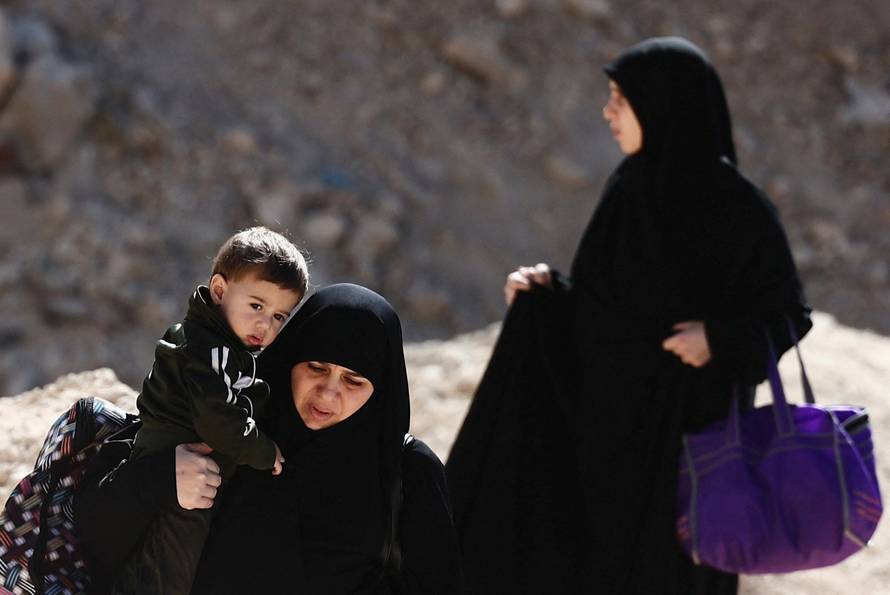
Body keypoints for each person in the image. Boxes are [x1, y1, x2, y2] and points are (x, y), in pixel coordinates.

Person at [446, 37, 812, 594]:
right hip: (608, 447)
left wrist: (718, 339)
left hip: (691, 450)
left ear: (663, 105)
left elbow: (787, 313)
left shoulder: (738, 208)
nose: (607, 112)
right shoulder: (628, 191)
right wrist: (547, 294)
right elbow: (608, 312)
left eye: (621, 99)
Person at [75, 283, 463, 594]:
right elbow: (94, 536)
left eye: (353, 381)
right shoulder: (226, 426)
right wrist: (162, 477)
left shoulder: (407, 473)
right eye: (316, 368)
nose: (328, 394)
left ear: (380, 389)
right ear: (290, 359)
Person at [112, 226, 308, 594]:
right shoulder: (211, 349)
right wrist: (264, 451)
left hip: (175, 469)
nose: (265, 324)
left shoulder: (219, 343)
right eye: (257, 306)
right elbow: (218, 422)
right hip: (179, 478)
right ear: (219, 290)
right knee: (171, 571)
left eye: (279, 316)